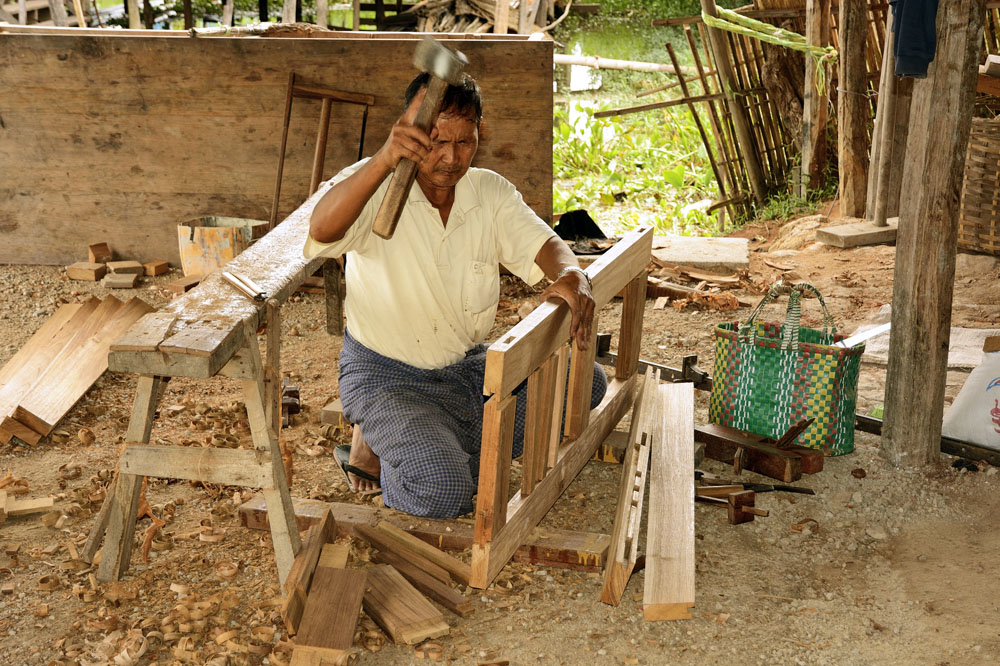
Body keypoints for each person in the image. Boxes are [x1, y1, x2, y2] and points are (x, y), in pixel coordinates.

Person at [303, 72, 607, 519]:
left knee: (587, 382)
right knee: (443, 492)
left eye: (464, 142)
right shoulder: (377, 183)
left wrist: (571, 273)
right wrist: (385, 157)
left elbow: (546, 243)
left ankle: (422, 444)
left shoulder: (488, 192)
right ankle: (407, 445)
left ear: (480, 133)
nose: (450, 157)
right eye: (436, 141)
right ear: (410, 133)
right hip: (389, 378)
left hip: (468, 371)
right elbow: (321, 229)